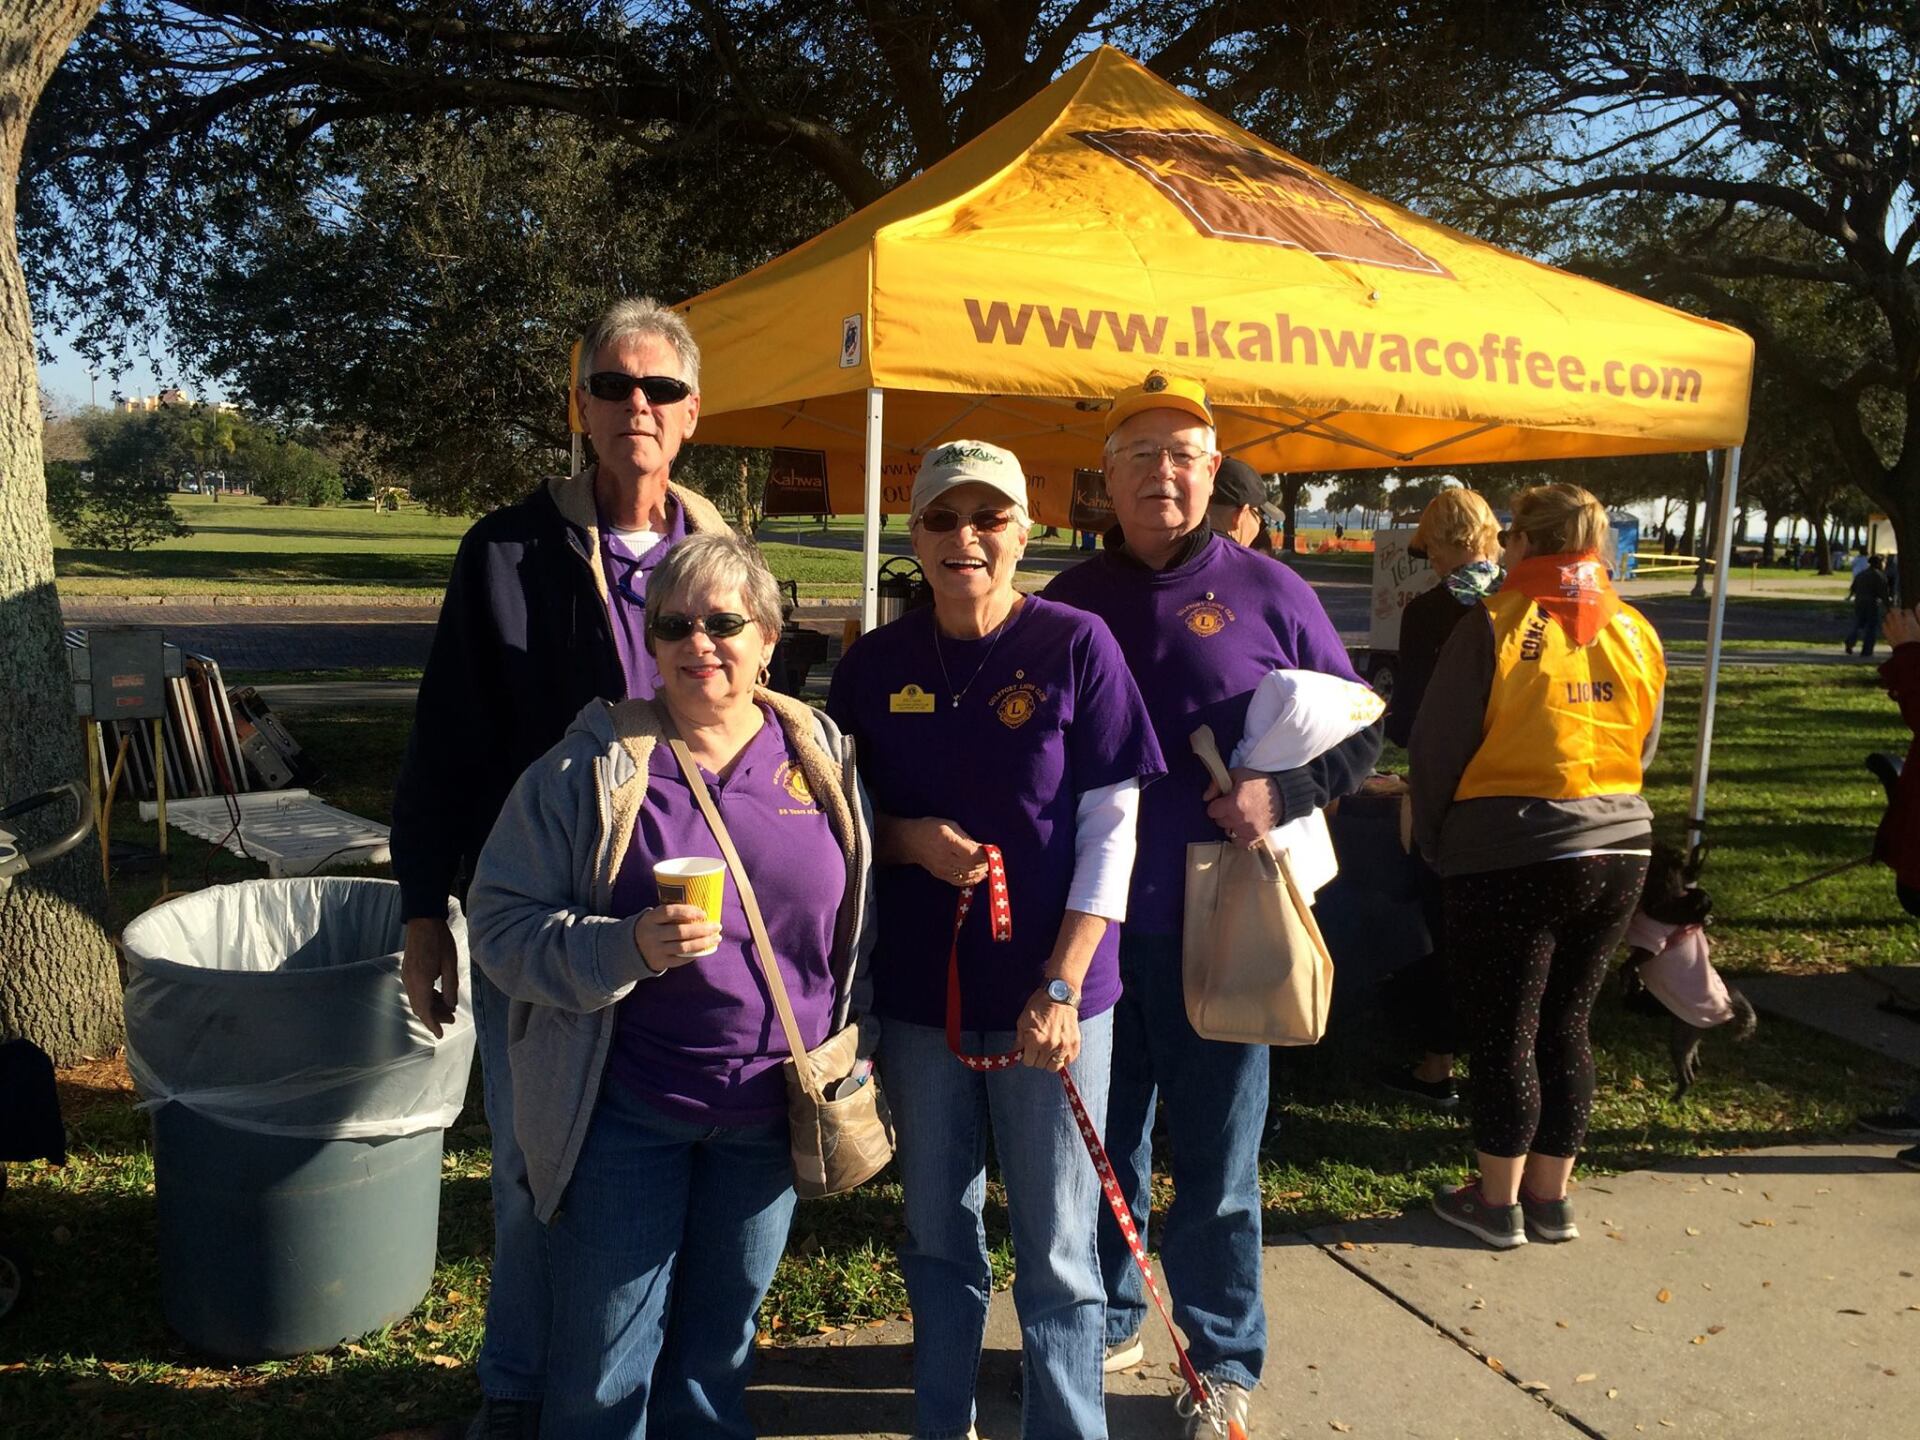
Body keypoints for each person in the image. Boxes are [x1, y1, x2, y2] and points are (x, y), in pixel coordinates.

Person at [389, 298, 729, 1438]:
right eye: (614, 385)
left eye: (661, 389)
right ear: (580, 406)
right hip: (542, 911)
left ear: (693, 412)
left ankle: (647, 1378)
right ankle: (519, 1382)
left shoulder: (718, 552)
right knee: (539, 1161)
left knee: (662, 1152)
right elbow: (446, 739)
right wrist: (424, 912)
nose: (639, 406)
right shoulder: (507, 550)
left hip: (683, 905)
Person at [466, 532, 874, 1439]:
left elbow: (855, 924)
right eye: (674, 626)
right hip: (630, 1110)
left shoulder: (819, 756)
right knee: (606, 1356)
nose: (700, 644)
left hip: (772, 1110)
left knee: (719, 1348)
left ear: (768, 638)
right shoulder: (589, 769)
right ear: (649, 643)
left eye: (724, 623)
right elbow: (496, 926)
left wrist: (857, 1037)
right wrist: (624, 948)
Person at [1044, 373, 1381, 1437]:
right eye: (1141, 456)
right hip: (1093, 925)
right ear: (1106, 480)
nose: (1164, 474)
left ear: (1214, 472)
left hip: (1224, 916)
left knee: (1220, 1162)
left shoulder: (1271, 590)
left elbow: (1365, 731)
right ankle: (1106, 1321)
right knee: (1099, 1149)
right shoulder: (1065, 600)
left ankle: (1222, 1360)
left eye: (1184, 456)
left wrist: (1281, 794)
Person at [827, 440, 1164, 1440]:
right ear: (915, 535)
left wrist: (1061, 985)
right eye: (942, 518)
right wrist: (907, 841)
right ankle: (944, 1421)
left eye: (989, 517)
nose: (965, 537)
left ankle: (1067, 1425)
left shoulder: (1076, 644)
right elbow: (834, 821)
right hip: (921, 1000)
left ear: (1025, 532)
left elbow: (1113, 827)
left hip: (1050, 1001)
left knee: (1058, 1245)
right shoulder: (875, 664)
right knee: (937, 1232)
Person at [1410, 482, 1666, 1249]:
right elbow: (1645, 742)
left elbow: (1436, 748)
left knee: (1506, 1030)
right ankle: (1550, 1199)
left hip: (1512, 846)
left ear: (1520, 542)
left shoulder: (1494, 621)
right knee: (1568, 1023)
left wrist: (1435, 840)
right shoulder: (1635, 629)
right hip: (1621, 843)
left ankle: (1497, 1204)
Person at [1378, 488, 1505, 1109]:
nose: (1428, 561)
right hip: (1517, 783)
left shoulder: (1430, 612)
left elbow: (1410, 721)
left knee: (1445, 932)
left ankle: (1437, 1064)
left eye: (1429, 549)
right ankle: (1504, 1061)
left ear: (1445, 545)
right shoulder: (1521, 602)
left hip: (1451, 794)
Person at [1206, 457, 1268, 549]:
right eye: (1261, 522)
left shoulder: (1184, 550)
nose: (1259, 530)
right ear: (1241, 514)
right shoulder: (1245, 558)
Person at [1846, 554, 1891, 656]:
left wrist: (1851, 597)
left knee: (1858, 623)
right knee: (1871, 626)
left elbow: (1853, 588)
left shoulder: (1861, 574)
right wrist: (1888, 606)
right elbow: (1884, 593)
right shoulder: (1879, 576)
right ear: (1878, 563)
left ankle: (1850, 641)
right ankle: (1867, 649)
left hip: (1859, 601)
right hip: (1872, 602)